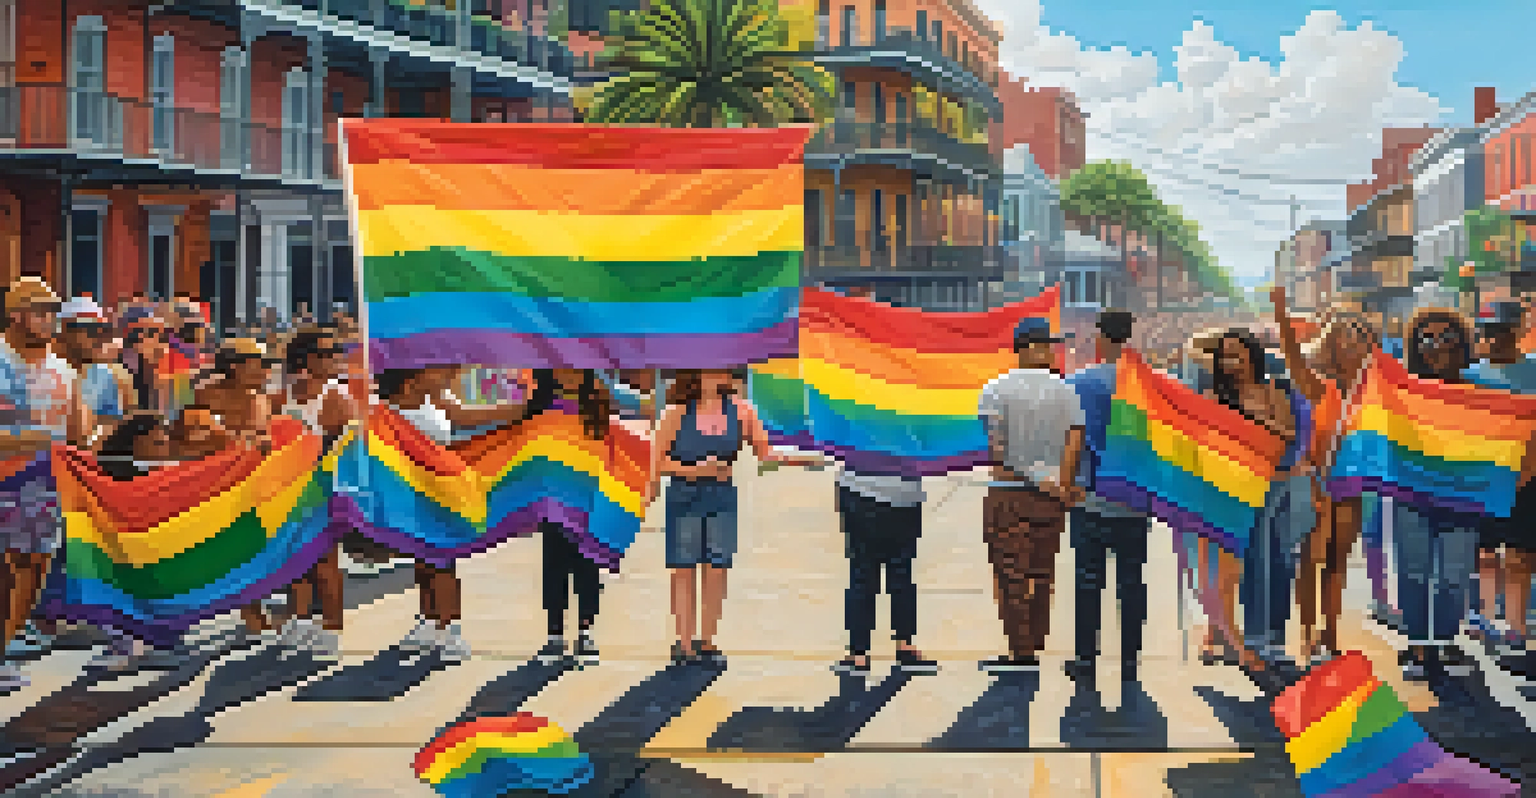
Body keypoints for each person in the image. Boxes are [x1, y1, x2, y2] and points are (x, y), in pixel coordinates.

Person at [649, 369, 818, 666]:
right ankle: (684, 644)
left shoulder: (742, 411)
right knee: (683, 569)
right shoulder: (676, 411)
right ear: (698, 373)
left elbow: (766, 453)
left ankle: (708, 641)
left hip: (721, 497)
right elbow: (657, 461)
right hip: (684, 497)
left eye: (726, 367)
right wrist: (694, 471)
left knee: (717, 569)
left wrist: (809, 456)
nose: (725, 373)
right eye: (717, 367)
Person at [375, 365, 531, 663]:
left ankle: (451, 630)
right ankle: (430, 621)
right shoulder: (384, 409)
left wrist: (524, 409)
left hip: (442, 492)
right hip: (408, 495)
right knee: (422, 562)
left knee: (442, 562)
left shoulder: (438, 399)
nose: (447, 374)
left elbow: (474, 417)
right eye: (437, 370)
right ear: (413, 377)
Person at [1273, 293, 1377, 664]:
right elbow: (1294, 361)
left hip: (1352, 487)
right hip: (1317, 483)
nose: (1351, 341)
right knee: (1310, 561)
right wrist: (1282, 319)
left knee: (1336, 563)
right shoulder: (1322, 386)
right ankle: (1306, 635)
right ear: (1331, 342)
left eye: (1360, 335)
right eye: (1344, 335)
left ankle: (1330, 634)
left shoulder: (1378, 393)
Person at [977, 317, 1085, 672]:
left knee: (1011, 574)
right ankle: (1034, 642)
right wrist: (1062, 485)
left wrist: (1031, 475)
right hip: (1051, 496)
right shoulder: (1066, 391)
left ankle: (1020, 650)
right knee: (1042, 572)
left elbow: (996, 449)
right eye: (1045, 345)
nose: (1050, 350)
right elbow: (1074, 442)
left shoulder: (995, 389)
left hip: (1008, 493)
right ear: (1030, 348)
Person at [0, 277, 90, 688]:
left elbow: (76, 432)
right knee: (7, 568)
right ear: (17, 315)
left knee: (35, 566)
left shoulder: (61, 368)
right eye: (42, 311)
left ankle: (4, 646)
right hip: (4, 482)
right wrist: (35, 438)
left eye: (54, 312)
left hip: (43, 486)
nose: (51, 320)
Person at [1201, 328, 1294, 684]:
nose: (1231, 363)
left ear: (1253, 356)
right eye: (1224, 356)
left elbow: (1287, 436)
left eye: (1237, 354)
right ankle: (1237, 637)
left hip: (1271, 484)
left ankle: (1266, 638)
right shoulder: (1214, 394)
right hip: (1228, 485)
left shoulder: (1273, 391)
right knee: (1235, 564)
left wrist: (1251, 420)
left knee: (1271, 560)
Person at [1063, 310, 1151, 686]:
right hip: (1133, 499)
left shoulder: (1079, 383)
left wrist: (1068, 486)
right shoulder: (1149, 384)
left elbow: (1073, 439)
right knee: (1131, 582)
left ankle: (1086, 659)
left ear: (1100, 339)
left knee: (1087, 581)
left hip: (1090, 494)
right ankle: (1130, 661)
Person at [1394, 309, 1482, 680]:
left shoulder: (1478, 390)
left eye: (1446, 337)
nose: (1437, 346)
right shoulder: (1399, 390)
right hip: (1412, 496)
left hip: (1462, 496)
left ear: (1462, 343)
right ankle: (1418, 645)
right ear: (1415, 347)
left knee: (1454, 576)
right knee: (1414, 573)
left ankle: (1444, 640)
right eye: (1426, 339)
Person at [278, 327, 360, 660]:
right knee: (295, 560)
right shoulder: (284, 394)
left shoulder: (337, 397)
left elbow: (353, 449)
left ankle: (332, 628)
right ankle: (301, 621)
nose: (334, 359)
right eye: (326, 353)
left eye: (336, 352)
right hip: (287, 490)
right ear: (306, 359)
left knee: (325, 563)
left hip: (322, 490)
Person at [1462, 301, 1536, 661]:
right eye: (1487, 331)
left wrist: (1525, 474)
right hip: (1483, 477)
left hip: (1528, 477)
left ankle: (1517, 626)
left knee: (1520, 557)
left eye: (1500, 331)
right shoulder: (1470, 375)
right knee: (1484, 553)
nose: (1492, 339)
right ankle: (1483, 616)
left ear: (1517, 332)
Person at [530, 370, 613, 666]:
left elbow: (609, 452)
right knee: (553, 570)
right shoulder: (541, 404)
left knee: (587, 571)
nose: (569, 375)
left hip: (588, 505)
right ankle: (554, 635)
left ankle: (585, 633)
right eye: (563, 369)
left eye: (576, 369)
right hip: (552, 504)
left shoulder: (598, 404)